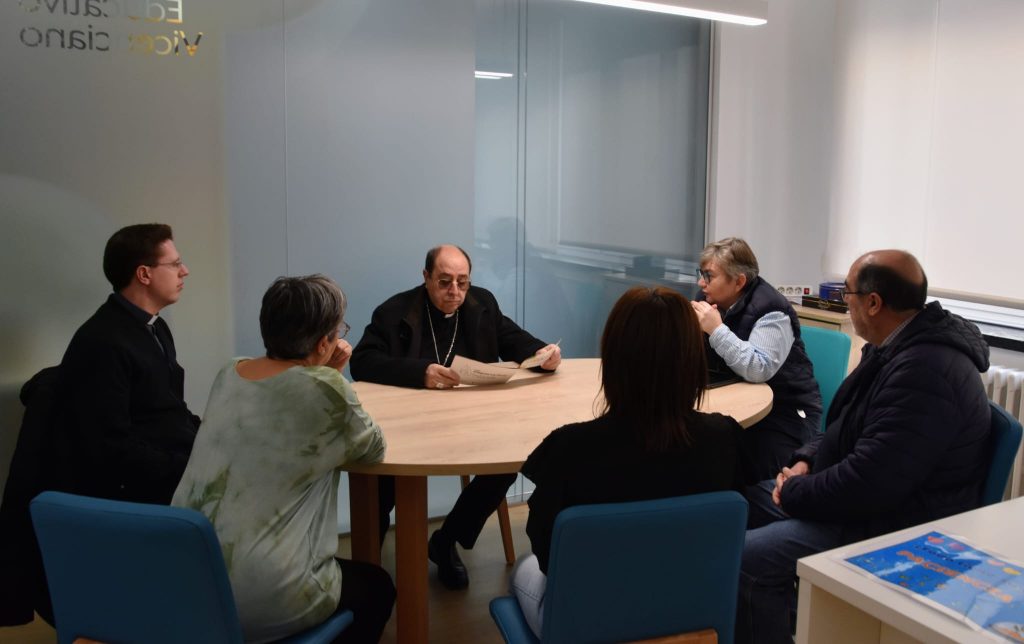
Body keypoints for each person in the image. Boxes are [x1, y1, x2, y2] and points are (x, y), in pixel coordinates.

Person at [736, 250, 991, 644]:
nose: (845, 302)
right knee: (741, 503)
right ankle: (787, 614)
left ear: (873, 303)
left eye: (847, 294)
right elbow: (844, 427)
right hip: (868, 500)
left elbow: (871, 482)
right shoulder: (893, 347)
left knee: (747, 559)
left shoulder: (925, 370)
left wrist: (797, 491)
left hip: (896, 522)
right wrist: (806, 460)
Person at [509, 286, 756, 637]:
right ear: (692, 358)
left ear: (613, 358)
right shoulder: (724, 438)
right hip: (692, 615)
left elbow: (547, 554)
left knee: (523, 567)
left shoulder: (571, 448)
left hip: (588, 623)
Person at [173, 275, 394, 643]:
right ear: (324, 342)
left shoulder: (230, 373)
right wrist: (330, 375)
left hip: (188, 578)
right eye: (339, 329)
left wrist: (323, 374)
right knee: (378, 588)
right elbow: (374, 448)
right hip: (263, 594)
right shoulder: (327, 388)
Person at [350, 244, 561, 590]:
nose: (455, 292)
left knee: (506, 465)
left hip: (471, 421)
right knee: (384, 478)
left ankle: (446, 541)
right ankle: (369, 566)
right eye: (445, 282)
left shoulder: (481, 304)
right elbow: (362, 362)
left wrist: (544, 355)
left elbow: (515, 341)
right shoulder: (394, 312)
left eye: (462, 282)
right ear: (426, 277)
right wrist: (420, 372)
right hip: (407, 425)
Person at [57, 223, 201, 504]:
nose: (184, 271)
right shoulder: (102, 342)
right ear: (144, 274)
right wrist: (189, 468)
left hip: (170, 468)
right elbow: (109, 446)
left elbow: (169, 410)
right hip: (137, 491)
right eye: (175, 264)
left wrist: (212, 439)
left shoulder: (156, 327)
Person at [692, 237, 822, 480]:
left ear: (739, 281)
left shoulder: (772, 310)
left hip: (784, 410)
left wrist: (716, 330)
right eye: (701, 274)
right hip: (733, 397)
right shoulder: (709, 298)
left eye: (709, 276)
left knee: (743, 471)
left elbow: (758, 369)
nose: (701, 283)